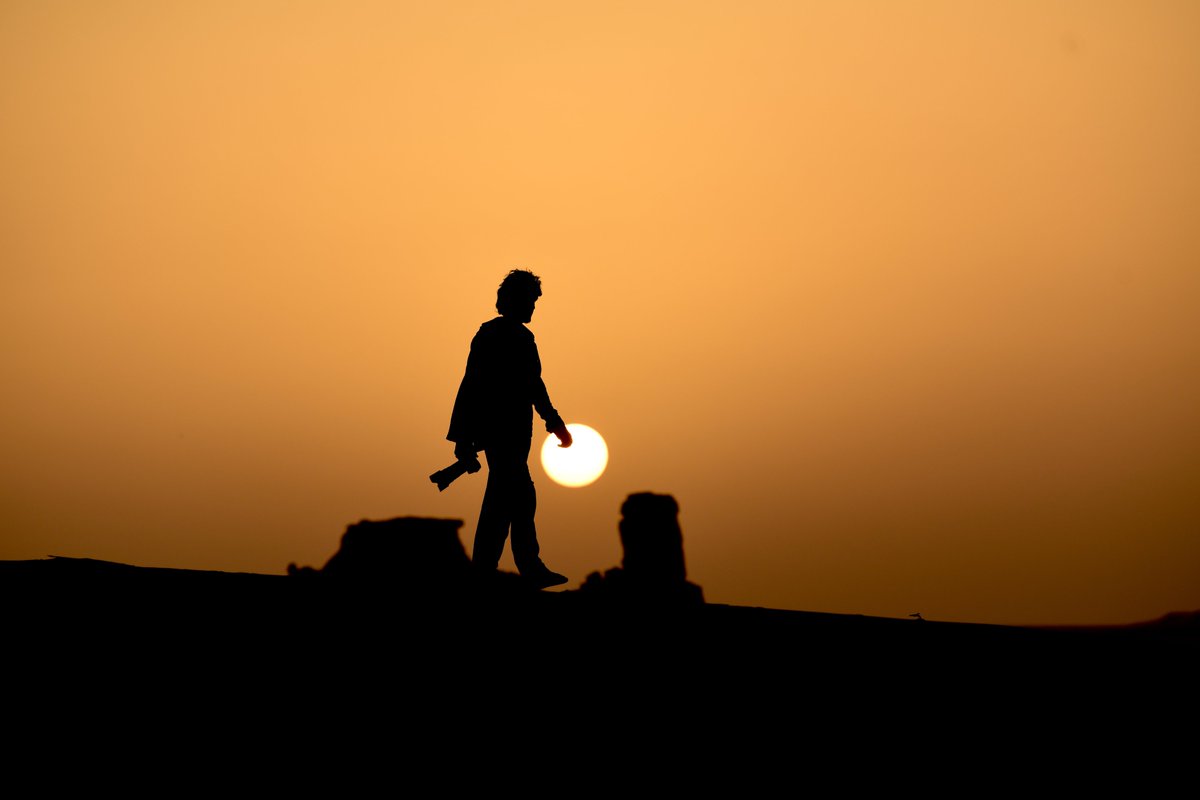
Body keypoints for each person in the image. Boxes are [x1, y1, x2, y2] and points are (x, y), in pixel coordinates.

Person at [447, 269, 573, 588]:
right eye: (530, 300)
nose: (533, 308)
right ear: (515, 300)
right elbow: (478, 385)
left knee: (508, 500)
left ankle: (493, 569)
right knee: (513, 498)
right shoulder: (505, 336)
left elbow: (524, 385)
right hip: (504, 435)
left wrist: (552, 422)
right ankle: (519, 567)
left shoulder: (505, 335)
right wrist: (555, 423)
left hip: (512, 435)